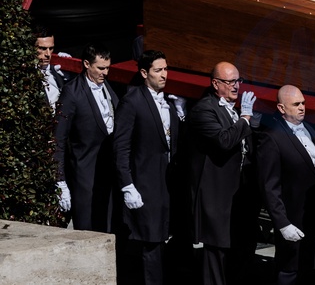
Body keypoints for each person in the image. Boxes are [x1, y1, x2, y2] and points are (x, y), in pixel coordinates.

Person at [113, 50, 185, 284]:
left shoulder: (169, 103)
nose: (164, 75)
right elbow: (121, 147)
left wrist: (180, 116)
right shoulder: (132, 101)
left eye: (165, 69)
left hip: (166, 185)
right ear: (144, 73)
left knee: (163, 241)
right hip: (144, 185)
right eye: (158, 70)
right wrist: (127, 185)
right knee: (150, 244)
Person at [189, 61, 259, 285]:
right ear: (215, 83)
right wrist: (245, 119)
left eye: (238, 81)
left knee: (241, 248)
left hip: (238, 192)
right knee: (216, 252)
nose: (236, 86)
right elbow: (224, 140)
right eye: (230, 82)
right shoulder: (204, 109)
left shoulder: (233, 110)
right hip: (217, 195)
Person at [257, 84, 315, 285]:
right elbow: (269, 186)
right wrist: (282, 223)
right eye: (296, 104)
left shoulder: (309, 128)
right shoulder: (272, 138)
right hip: (294, 218)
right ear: (281, 108)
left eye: (303, 103)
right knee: (290, 269)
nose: (302, 108)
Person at [54, 42, 118, 232]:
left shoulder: (108, 87)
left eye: (107, 68)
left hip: (109, 172)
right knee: (87, 229)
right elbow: (59, 138)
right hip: (85, 175)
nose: (105, 73)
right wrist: (60, 180)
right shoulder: (72, 93)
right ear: (87, 64)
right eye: (101, 68)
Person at [33, 24, 71, 113]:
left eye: (51, 48)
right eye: (42, 48)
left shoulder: (57, 71)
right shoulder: (25, 74)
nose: (48, 54)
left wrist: (70, 75)